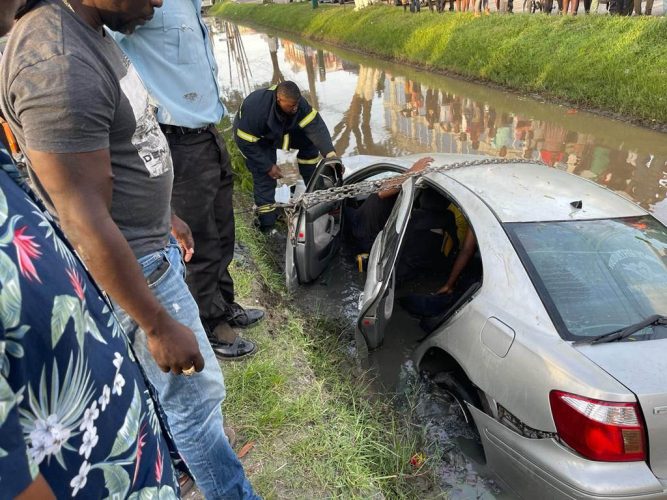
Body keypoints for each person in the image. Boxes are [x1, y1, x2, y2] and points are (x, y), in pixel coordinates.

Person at [0, 0, 257, 498]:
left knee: (177, 404)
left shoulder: (87, 30)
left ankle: (186, 463)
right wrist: (156, 322)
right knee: (197, 404)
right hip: (138, 271)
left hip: (150, 249)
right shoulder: (57, 60)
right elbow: (82, 217)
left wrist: (164, 215)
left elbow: (119, 151)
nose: (159, 2)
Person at [111, 0, 262, 361]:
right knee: (200, 239)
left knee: (224, 230)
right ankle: (210, 325)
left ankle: (224, 303)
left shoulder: (189, 3)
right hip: (174, 137)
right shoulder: (142, 5)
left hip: (207, 132)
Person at [233, 81, 336, 232]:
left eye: (296, 104)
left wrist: (330, 153)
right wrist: (268, 166)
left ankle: (317, 200)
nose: (295, 108)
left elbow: (315, 125)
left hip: (285, 131)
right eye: (291, 106)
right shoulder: (256, 110)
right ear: (279, 99)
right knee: (265, 179)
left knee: (309, 155)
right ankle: (267, 226)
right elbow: (245, 142)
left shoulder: (298, 105)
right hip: (257, 141)